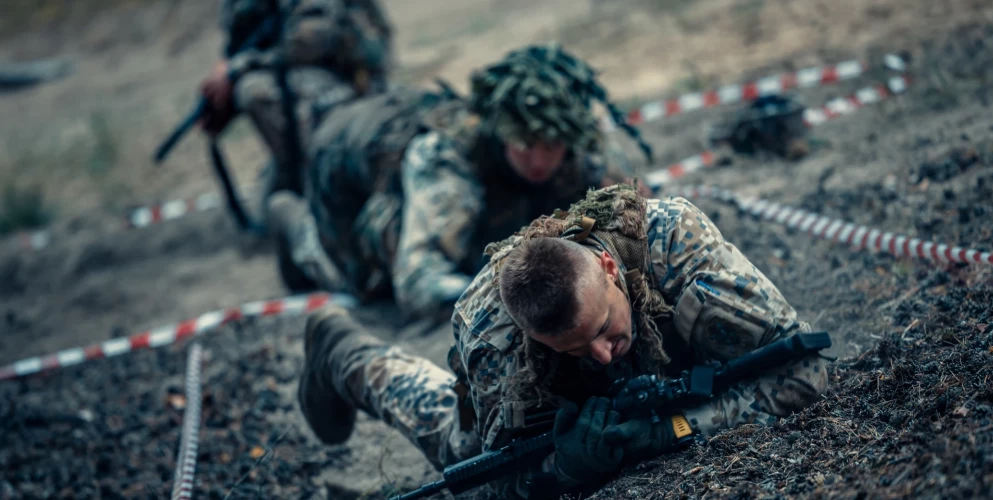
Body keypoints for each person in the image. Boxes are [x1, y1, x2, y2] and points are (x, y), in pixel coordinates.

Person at [296, 184, 830, 498]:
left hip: (684, 364)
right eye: (573, 349)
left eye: (602, 330)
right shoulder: (494, 338)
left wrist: (673, 429)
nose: (599, 354)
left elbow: (805, 370)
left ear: (609, 269)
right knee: (454, 446)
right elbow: (496, 483)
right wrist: (566, 467)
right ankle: (343, 354)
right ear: (530, 334)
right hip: (558, 407)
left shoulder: (677, 245)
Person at [268, 43, 654, 322]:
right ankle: (289, 218)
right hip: (340, 168)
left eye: (552, 145)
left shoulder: (580, 142)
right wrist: (513, 294)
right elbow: (419, 284)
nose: (539, 161)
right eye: (524, 144)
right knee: (362, 280)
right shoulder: (448, 161)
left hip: (384, 141)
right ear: (502, 133)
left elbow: (641, 214)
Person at [200, 0, 394, 196]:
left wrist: (237, 68)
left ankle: (323, 178)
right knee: (267, 199)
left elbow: (312, 39)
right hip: (308, 78)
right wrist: (222, 98)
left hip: (351, 80)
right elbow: (239, 38)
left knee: (253, 90)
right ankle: (304, 173)